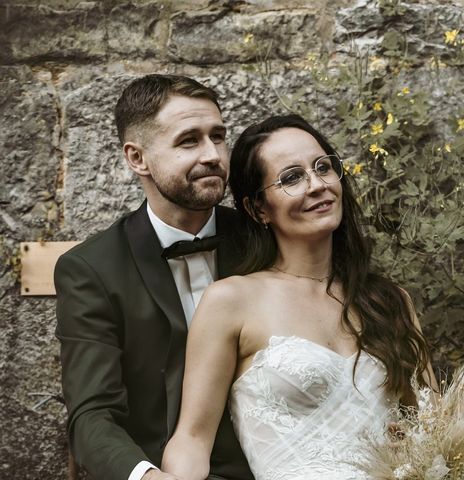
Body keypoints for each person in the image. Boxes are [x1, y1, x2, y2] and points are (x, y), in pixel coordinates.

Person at [161, 114, 436, 480]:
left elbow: (437, 428)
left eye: (323, 167)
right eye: (292, 177)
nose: (317, 184)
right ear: (258, 209)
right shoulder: (231, 301)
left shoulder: (389, 301)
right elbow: (193, 440)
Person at [54, 74, 253, 480]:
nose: (213, 154)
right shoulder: (91, 269)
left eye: (218, 136)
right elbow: (92, 414)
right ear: (137, 158)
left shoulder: (261, 241)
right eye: (188, 140)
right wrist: (147, 477)